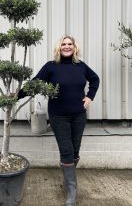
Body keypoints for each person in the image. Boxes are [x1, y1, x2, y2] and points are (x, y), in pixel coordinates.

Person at [18, 35, 100, 206]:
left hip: (79, 115)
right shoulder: (51, 67)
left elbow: (95, 79)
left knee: (75, 150)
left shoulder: (81, 66)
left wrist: (90, 96)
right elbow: (35, 83)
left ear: (74, 47)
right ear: (59, 47)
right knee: (67, 150)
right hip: (58, 116)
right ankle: (71, 189)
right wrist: (16, 96)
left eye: (70, 44)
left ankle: (68, 178)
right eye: (64, 44)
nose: (67, 46)